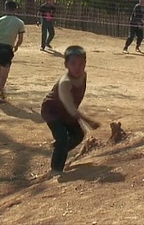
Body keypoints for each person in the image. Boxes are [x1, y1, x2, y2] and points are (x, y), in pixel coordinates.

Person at [41, 45, 101, 178]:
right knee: (62, 136)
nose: (77, 67)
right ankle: (56, 170)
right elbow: (71, 109)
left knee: (78, 135)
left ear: (85, 64)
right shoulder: (65, 83)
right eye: (73, 64)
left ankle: (59, 150)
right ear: (66, 65)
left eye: (81, 64)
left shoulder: (83, 75)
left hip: (67, 112)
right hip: (52, 111)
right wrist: (89, 121)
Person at [0, 0, 25, 104]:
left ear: (5, 8)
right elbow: (20, 40)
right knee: (4, 76)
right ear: (15, 9)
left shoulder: (0, 20)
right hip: (6, 49)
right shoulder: (19, 23)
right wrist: (16, 46)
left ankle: (1, 91)